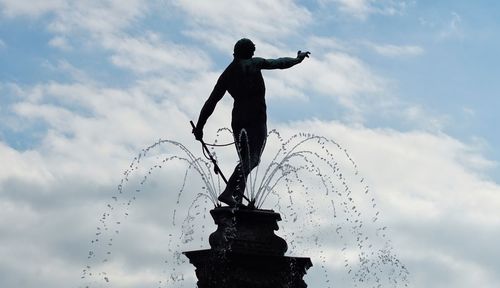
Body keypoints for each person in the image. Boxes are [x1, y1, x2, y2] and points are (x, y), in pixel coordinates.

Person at [193, 38, 310, 207]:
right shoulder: (253, 63)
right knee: (252, 160)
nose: (253, 54)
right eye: (252, 51)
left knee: (244, 160)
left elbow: (211, 102)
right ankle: (228, 193)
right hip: (255, 115)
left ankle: (238, 199)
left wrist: (199, 127)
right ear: (248, 52)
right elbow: (278, 63)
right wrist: (297, 59)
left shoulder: (226, 75)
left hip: (239, 117)